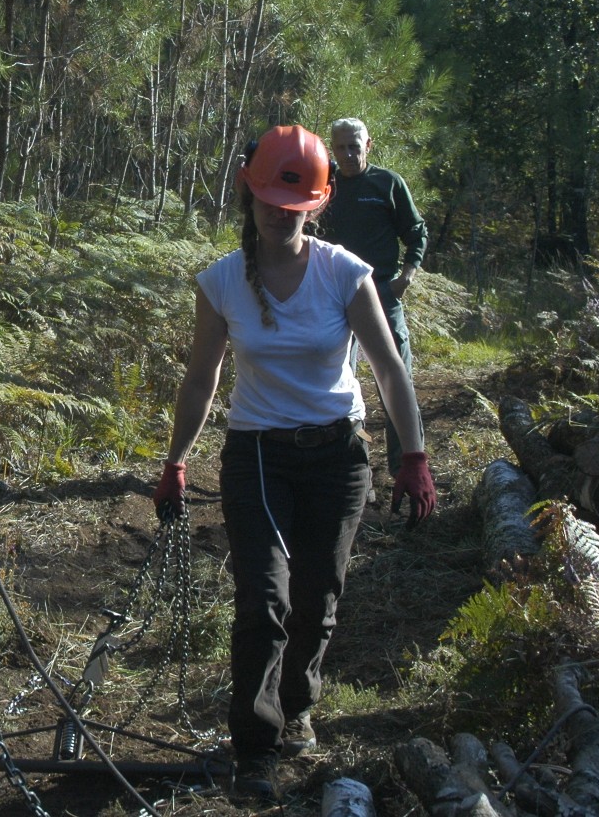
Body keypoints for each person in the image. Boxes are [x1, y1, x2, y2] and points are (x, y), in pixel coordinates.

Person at [150, 125, 436, 802]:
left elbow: (390, 371)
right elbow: (200, 381)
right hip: (255, 455)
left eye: (297, 204)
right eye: (272, 202)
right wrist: (176, 461)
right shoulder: (222, 282)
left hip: (338, 457)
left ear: (316, 204)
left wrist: (414, 455)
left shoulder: (344, 273)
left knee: (318, 598)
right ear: (249, 197)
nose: (283, 215)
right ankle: (255, 750)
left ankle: (298, 701)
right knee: (263, 599)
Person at [324, 117, 429, 485]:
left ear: (368, 145)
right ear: (332, 148)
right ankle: (352, 470)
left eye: (355, 146)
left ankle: (409, 470)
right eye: (341, 147)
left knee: (396, 379)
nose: (349, 153)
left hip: (383, 293)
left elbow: (416, 232)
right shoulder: (325, 184)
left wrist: (407, 276)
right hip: (333, 298)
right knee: (338, 384)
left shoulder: (388, 184)